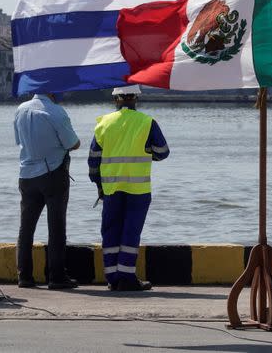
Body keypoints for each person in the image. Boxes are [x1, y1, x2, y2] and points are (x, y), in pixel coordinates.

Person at [88, 85, 170, 291]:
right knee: (131, 232)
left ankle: (112, 278)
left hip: (111, 188)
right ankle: (127, 276)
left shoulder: (104, 123)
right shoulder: (147, 122)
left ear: (116, 99)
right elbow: (163, 152)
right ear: (136, 99)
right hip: (138, 189)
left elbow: (93, 161)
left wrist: (99, 185)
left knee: (110, 231)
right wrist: (146, 150)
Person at [14, 92, 81, 289]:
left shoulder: (21, 110)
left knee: (26, 228)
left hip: (26, 175)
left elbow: (19, 140)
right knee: (56, 228)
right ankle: (57, 277)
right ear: (52, 91)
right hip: (52, 173)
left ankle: (24, 276)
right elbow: (73, 143)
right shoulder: (56, 111)